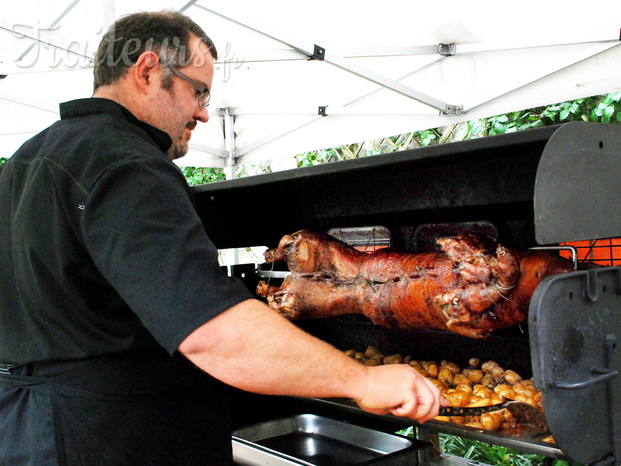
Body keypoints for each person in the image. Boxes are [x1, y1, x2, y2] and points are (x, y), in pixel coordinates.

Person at [0, 10, 447, 465]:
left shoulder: (23, 162)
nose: (204, 113)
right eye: (199, 91)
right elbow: (210, 332)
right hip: (111, 440)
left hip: (27, 432)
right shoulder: (125, 165)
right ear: (148, 71)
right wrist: (364, 382)